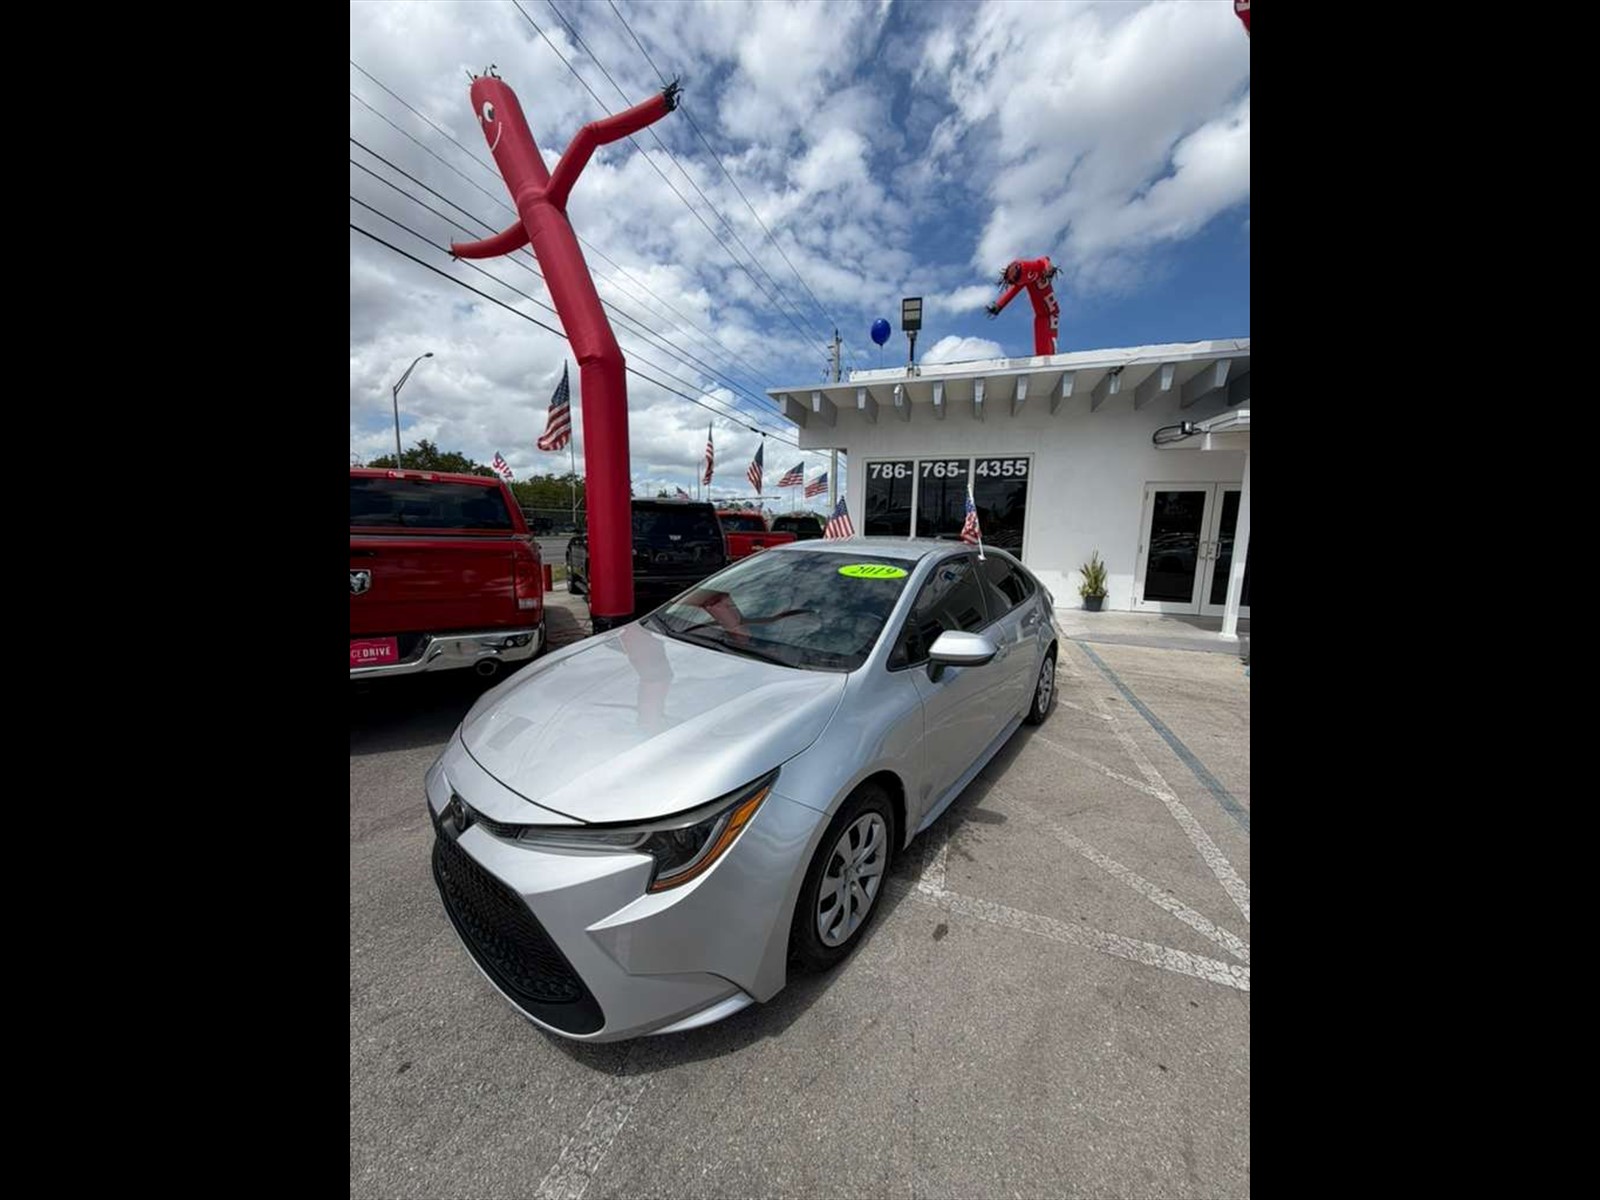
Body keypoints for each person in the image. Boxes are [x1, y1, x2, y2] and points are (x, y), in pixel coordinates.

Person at [985, 257, 1062, 356]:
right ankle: (1042, 359)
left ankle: (1052, 357)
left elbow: (1044, 259)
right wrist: (999, 306)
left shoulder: (1036, 268)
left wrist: (1049, 268)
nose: (1014, 281)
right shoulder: (1024, 278)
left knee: (1050, 340)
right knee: (1041, 342)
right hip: (1040, 315)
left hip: (1051, 314)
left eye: (1014, 277)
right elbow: (1013, 291)